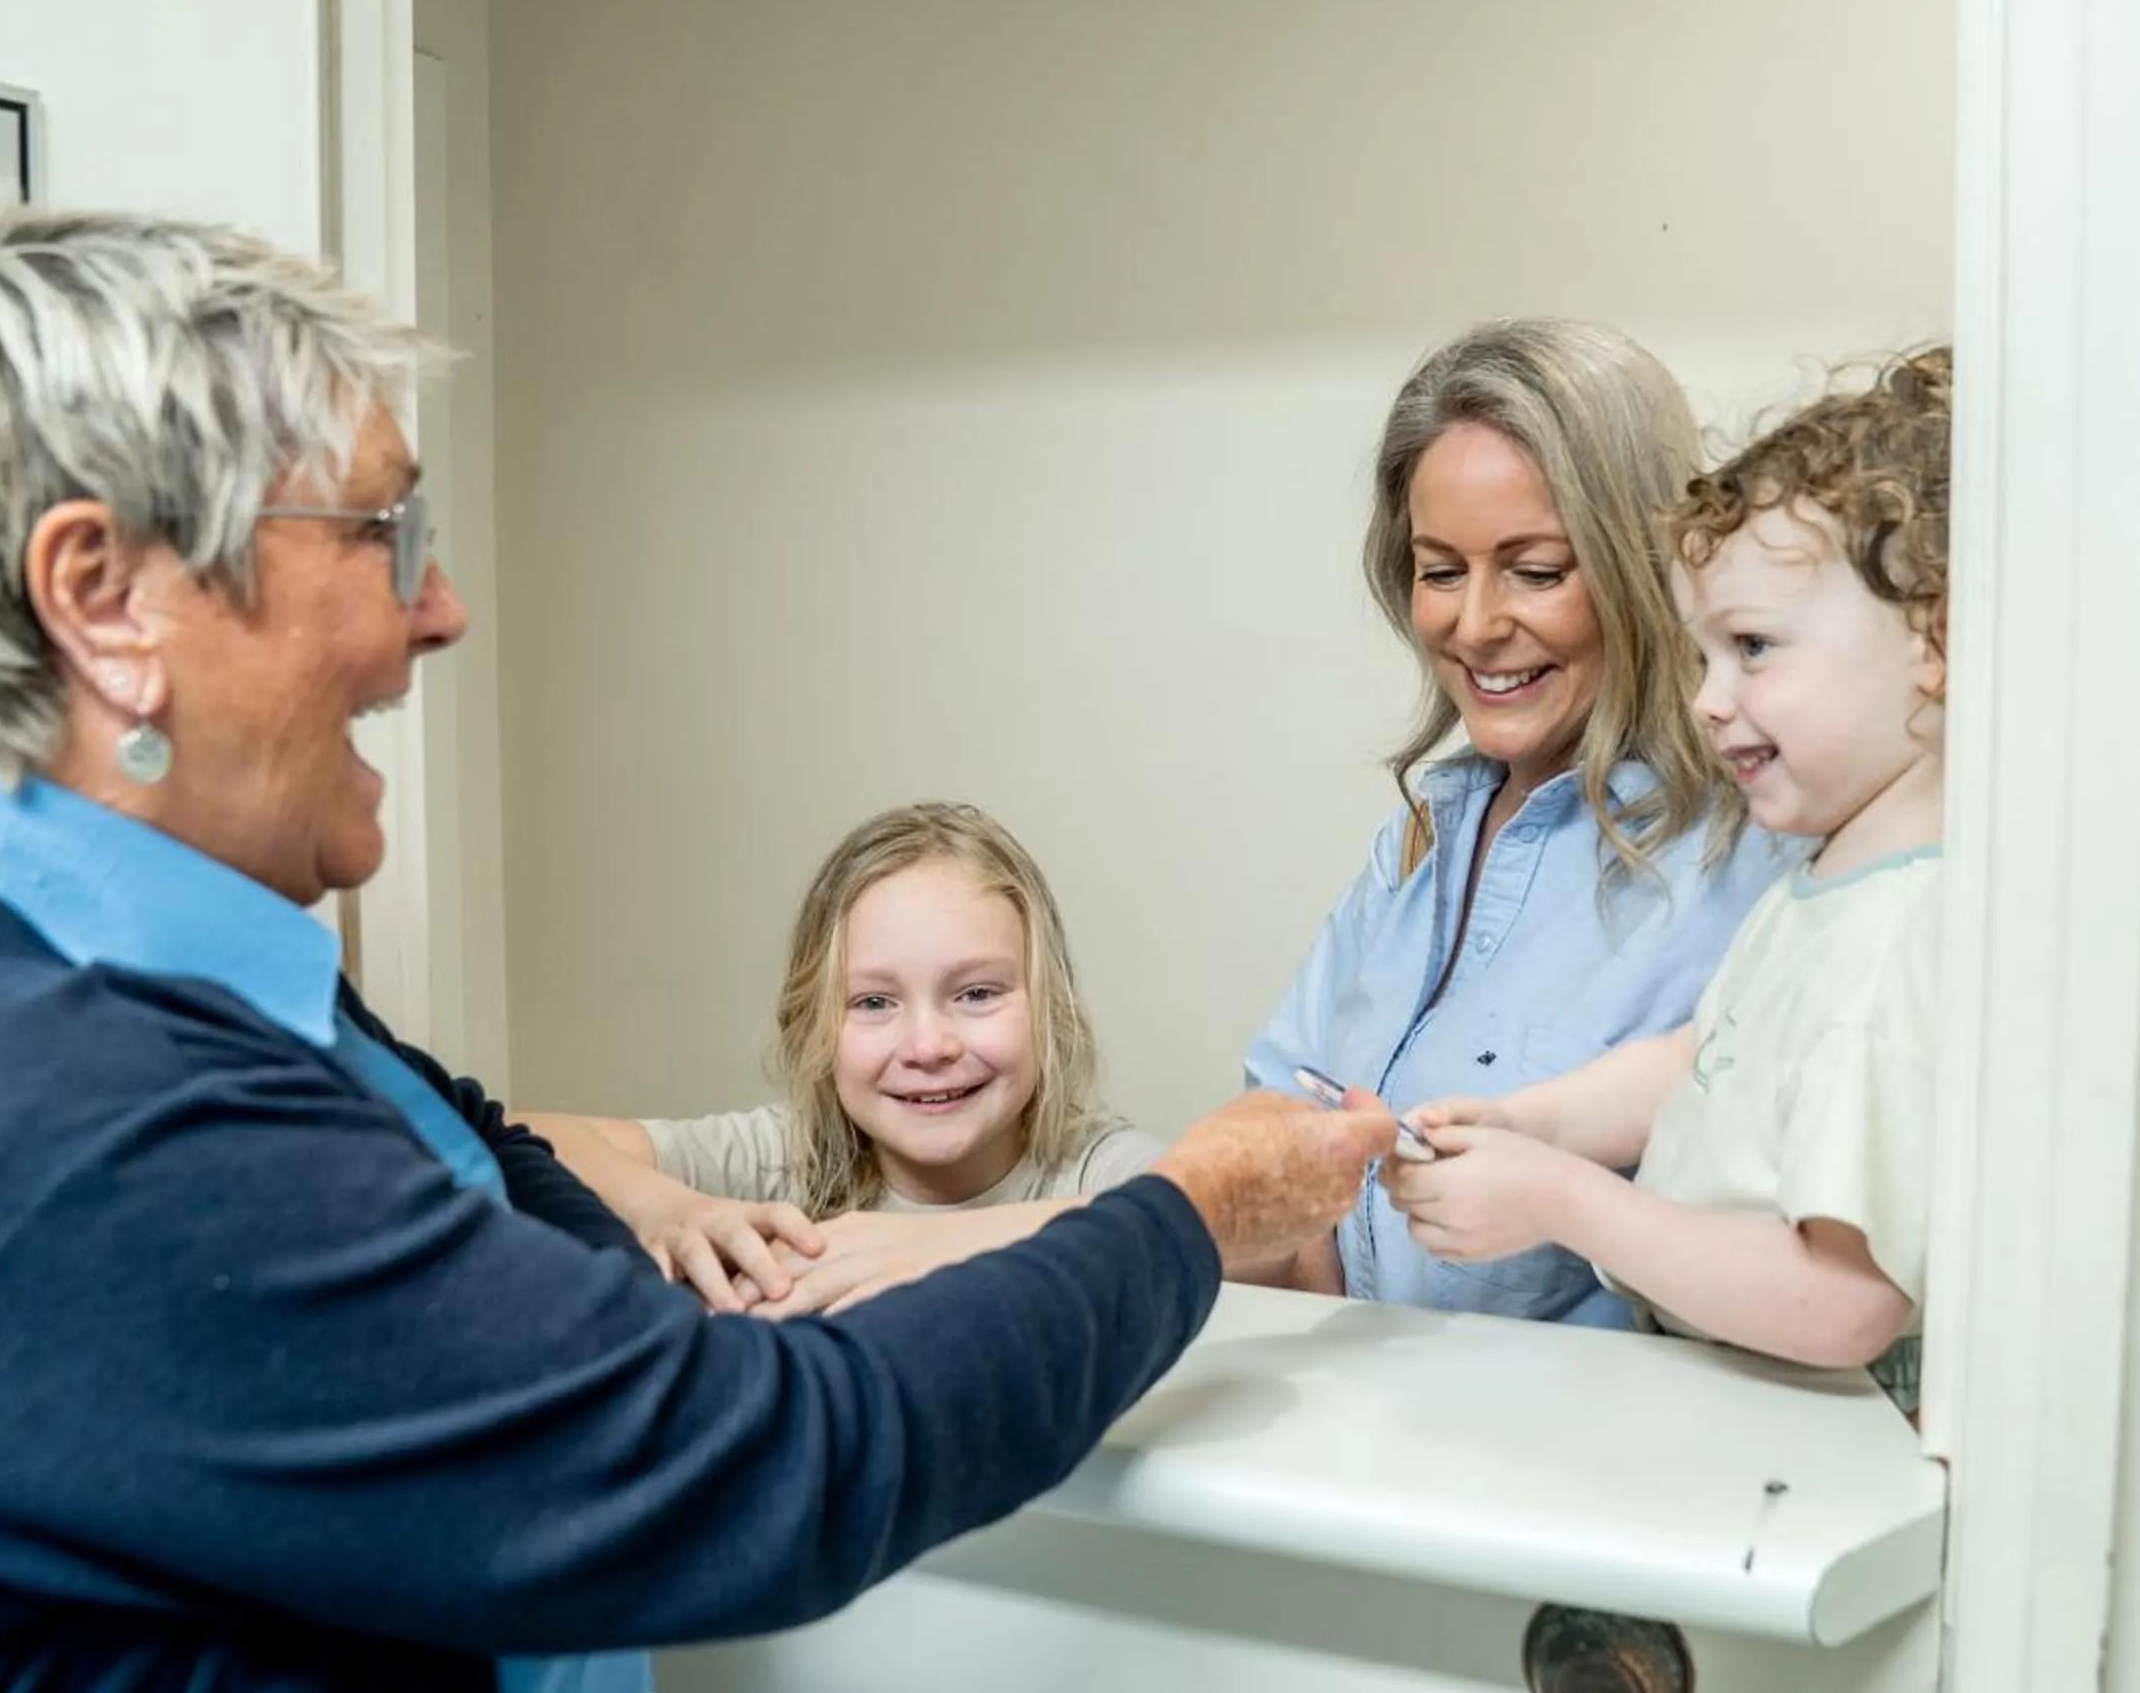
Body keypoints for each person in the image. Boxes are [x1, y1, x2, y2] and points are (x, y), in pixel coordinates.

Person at [0, 189, 1390, 1693]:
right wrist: (1192, 1209)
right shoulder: (74, 1126)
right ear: (106, 595)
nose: (441, 611)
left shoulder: (178, 974)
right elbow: (776, 1462)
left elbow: (490, 1175)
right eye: (378, 531)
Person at [1387, 348, 1951, 1411]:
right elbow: (1714, 1059)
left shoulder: (1900, 942)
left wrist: (1566, 1200)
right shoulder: (1836, 879)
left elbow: (1843, 1303)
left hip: (1810, 1438)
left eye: (1752, 647)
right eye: (1703, 657)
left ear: (1934, 640)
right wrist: (1539, 1123)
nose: (1707, 700)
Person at [1243, 318, 1789, 1324]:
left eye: (1536, 570)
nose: (1476, 623)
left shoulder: (1753, 857)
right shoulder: (1422, 837)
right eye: (1440, 569)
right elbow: (1281, 1121)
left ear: (1643, 566)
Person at [521, 801, 1162, 1317]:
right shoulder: (787, 1162)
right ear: (815, 1025)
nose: (928, 1046)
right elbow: (525, 1139)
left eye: (976, 994)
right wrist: (667, 1209)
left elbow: (1214, 1223)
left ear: (1049, 1008)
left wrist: (940, 1244)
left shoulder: (1095, 1170)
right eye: (875, 1002)